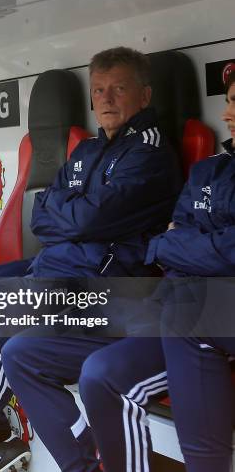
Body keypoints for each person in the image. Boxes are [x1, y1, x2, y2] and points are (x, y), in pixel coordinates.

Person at [0, 46, 183, 472]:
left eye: (119, 89)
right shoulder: (88, 150)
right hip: (52, 277)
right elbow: (42, 213)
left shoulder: (150, 153)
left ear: (145, 96)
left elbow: (89, 217)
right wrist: (75, 220)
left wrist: (74, 218)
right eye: (99, 90)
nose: (107, 99)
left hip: (105, 292)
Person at [80, 71, 235, 472]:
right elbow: (169, 242)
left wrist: (177, 245)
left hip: (183, 305)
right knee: (97, 373)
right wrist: (176, 246)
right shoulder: (210, 169)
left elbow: (213, 247)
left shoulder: (148, 152)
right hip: (181, 301)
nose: (227, 113)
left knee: (184, 311)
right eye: (229, 100)